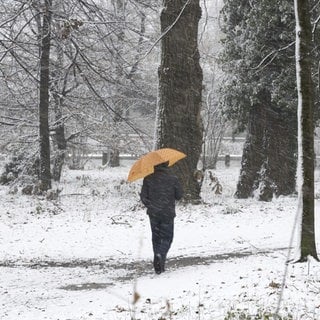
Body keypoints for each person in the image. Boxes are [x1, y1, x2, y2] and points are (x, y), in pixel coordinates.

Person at [140, 161, 183, 274]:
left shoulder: (148, 178)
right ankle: (161, 255)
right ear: (166, 164)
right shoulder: (173, 178)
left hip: (153, 213)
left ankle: (159, 265)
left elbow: (144, 197)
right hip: (167, 213)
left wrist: (151, 206)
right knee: (167, 237)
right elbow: (179, 196)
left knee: (156, 237)